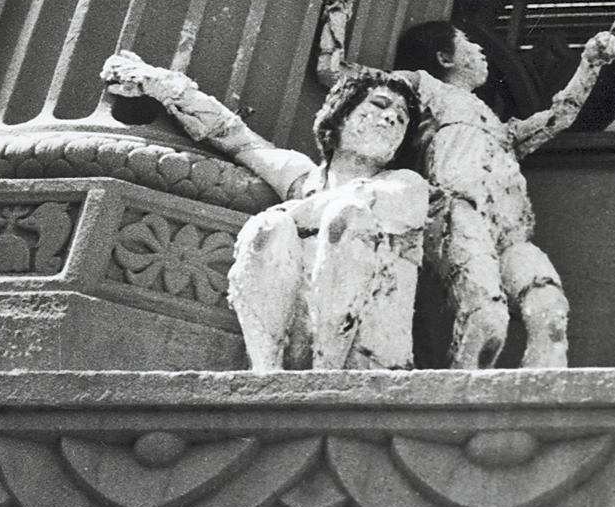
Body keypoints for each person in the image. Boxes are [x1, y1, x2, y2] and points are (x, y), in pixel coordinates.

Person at [315, 0, 615, 369]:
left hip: (512, 232)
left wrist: (590, 64)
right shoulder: (421, 86)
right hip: (458, 214)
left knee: (549, 313)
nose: (482, 52)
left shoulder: (498, 127)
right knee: (487, 319)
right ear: (444, 58)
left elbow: (557, 118)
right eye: (469, 44)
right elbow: (335, 72)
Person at [99, 50, 427, 371]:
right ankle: (267, 372)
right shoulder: (305, 178)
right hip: (297, 347)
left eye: (401, 118)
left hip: (368, 357)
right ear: (341, 116)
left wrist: (292, 212)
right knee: (268, 227)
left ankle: (328, 375)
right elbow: (237, 138)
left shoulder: (407, 185)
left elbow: (358, 202)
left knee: (347, 213)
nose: (390, 119)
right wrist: (163, 84)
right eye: (380, 105)